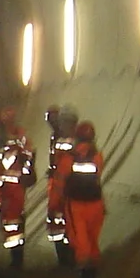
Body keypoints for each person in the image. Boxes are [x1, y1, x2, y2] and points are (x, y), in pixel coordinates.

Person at [62, 118, 106, 278]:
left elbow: (60, 182)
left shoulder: (69, 158)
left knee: (80, 241)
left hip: (76, 205)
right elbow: (97, 177)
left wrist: (54, 205)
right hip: (96, 204)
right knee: (92, 240)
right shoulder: (97, 156)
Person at [0, 107, 35, 269]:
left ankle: (17, 259)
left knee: (13, 221)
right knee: (9, 221)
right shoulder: (1, 138)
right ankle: (15, 256)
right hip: (5, 187)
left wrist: (24, 174)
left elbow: (28, 157)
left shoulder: (18, 136)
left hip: (14, 187)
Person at [45, 105, 79, 268]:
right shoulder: (58, 139)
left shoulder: (72, 141)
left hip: (66, 187)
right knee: (58, 221)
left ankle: (68, 257)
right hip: (60, 186)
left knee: (65, 221)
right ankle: (64, 257)